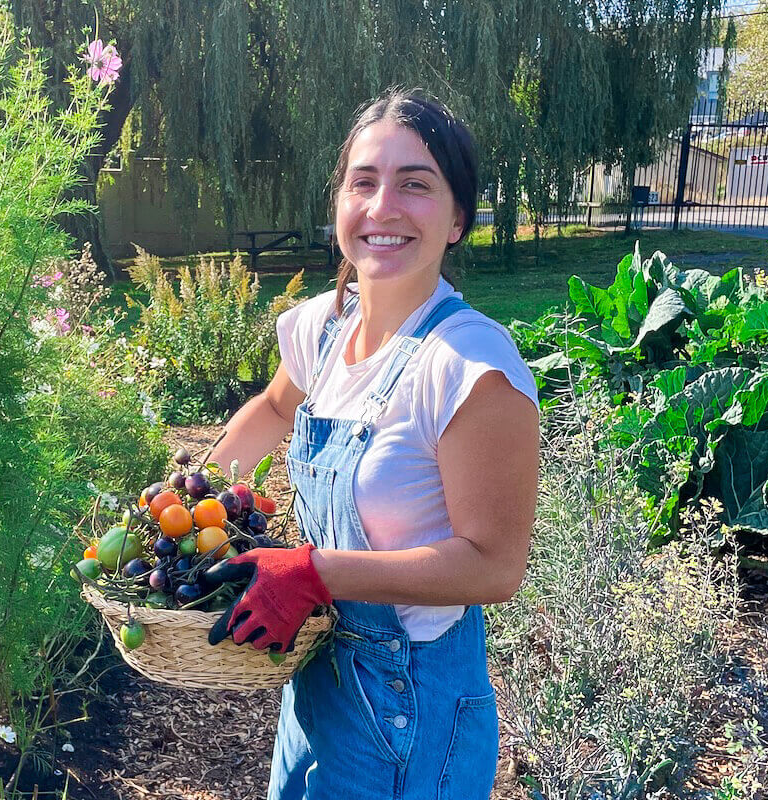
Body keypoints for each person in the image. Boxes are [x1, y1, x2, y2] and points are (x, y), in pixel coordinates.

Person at [203, 89, 541, 800]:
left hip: (410, 703)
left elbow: (493, 567)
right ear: (339, 204)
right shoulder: (319, 330)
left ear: (457, 219)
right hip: (318, 677)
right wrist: (185, 502)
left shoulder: (470, 365)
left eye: (415, 184)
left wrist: (315, 572)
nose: (383, 206)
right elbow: (272, 408)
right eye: (364, 181)